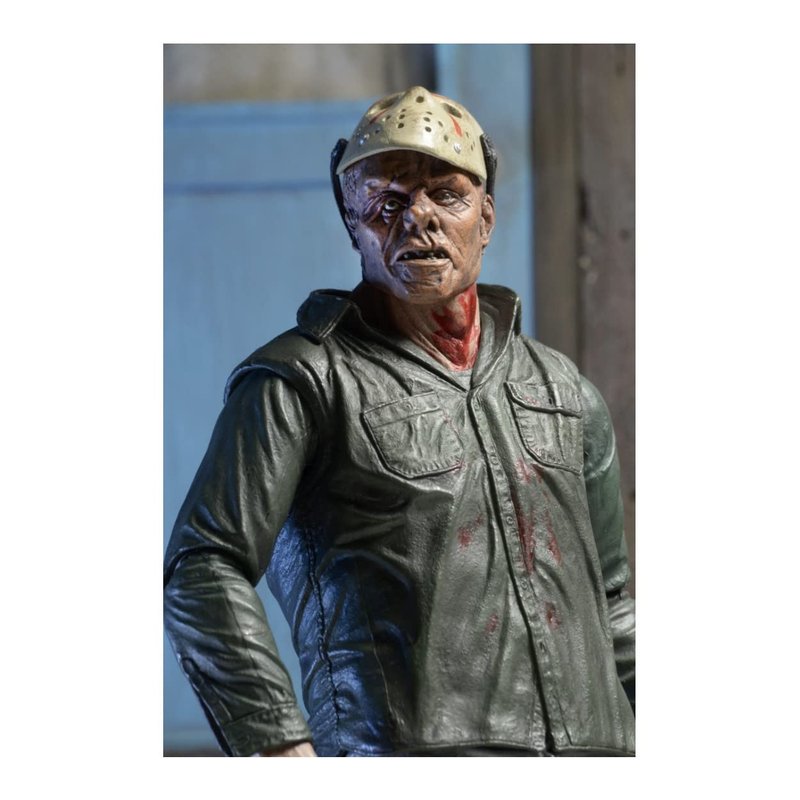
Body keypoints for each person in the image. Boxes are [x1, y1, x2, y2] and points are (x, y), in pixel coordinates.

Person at [163, 86, 635, 757]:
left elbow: (613, 603)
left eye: (447, 194)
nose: (418, 218)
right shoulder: (301, 382)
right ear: (351, 222)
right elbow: (203, 566)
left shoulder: (562, 389)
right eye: (387, 201)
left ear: (487, 216)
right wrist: (276, 746)